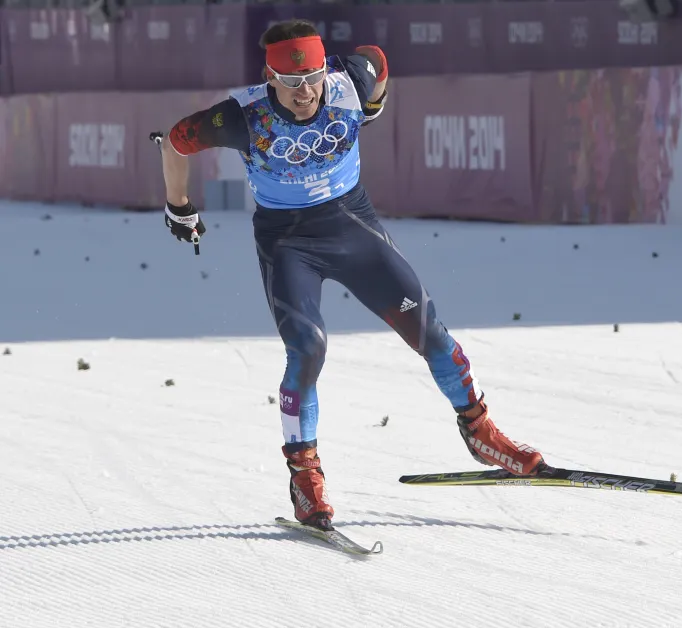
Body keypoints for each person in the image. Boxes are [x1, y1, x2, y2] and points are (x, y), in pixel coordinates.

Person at [159, 19, 546, 532]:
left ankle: (481, 432)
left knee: (429, 330)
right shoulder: (239, 115)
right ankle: (305, 477)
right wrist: (178, 206)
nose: (306, 93)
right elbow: (173, 141)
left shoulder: (348, 79)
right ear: (269, 78)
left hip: (351, 225)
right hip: (288, 241)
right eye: (292, 83)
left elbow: (379, 61)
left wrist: (375, 103)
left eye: (313, 77)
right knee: (308, 348)